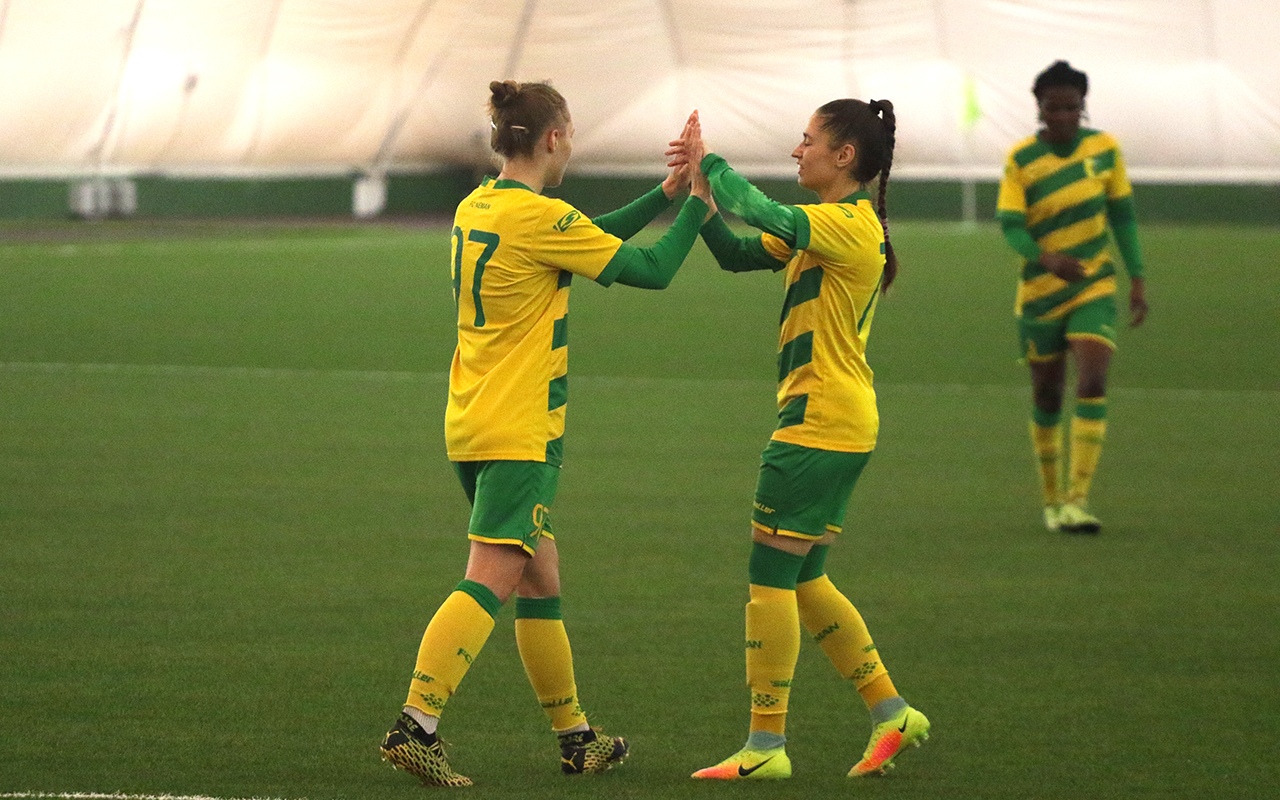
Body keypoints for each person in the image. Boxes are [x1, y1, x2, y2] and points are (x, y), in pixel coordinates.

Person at [378, 80, 712, 787]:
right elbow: (650, 270)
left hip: (472, 418)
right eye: (572, 135)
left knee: (540, 577)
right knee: (492, 576)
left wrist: (664, 194)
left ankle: (576, 738)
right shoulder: (541, 218)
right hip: (519, 428)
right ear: (553, 138)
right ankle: (417, 723)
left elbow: (580, 239)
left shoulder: (479, 204)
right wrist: (699, 208)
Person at [673, 100, 930, 780]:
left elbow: (763, 213)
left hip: (817, 424)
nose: (797, 150)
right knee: (805, 577)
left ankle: (766, 746)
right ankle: (892, 712)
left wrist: (712, 161)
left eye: (808, 140)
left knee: (769, 580)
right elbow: (736, 253)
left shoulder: (844, 225)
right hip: (838, 422)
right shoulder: (831, 226)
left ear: (844, 156)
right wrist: (701, 195)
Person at [996, 60, 1149, 534]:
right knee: (1047, 394)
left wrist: (1137, 276)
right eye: (1053, 107)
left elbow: (1122, 215)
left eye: (1071, 107)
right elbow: (1011, 226)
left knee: (1093, 378)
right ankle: (1051, 500)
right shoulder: (1022, 159)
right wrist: (1046, 259)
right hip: (1040, 294)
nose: (1062, 116)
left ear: (1083, 107)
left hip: (1093, 284)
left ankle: (1078, 500)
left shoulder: (1104, 150)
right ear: (1039, 107)